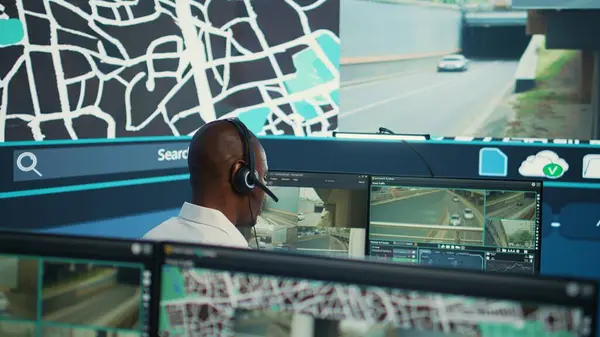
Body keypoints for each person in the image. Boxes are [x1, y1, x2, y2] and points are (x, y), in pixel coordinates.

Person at [142, 119, 276, 248]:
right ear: (244, 177)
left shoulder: (150, 239)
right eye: (264, 177)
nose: (265, 192)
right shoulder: (240, 260)